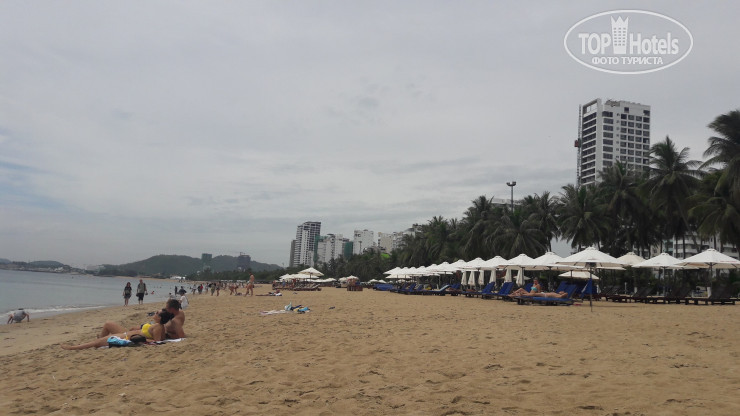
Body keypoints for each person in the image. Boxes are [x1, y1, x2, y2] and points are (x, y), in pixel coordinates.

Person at [62, 309, 174, 350]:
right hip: (126, 333)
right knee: (108, 324)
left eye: (157, 313)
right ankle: (101, 341)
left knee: (97, 342)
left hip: (126, 337)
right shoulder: (157, 325)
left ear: (160, 318)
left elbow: (156, 342)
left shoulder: (158, 327)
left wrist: (140, 339)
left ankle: (72, 348)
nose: (155, 313)